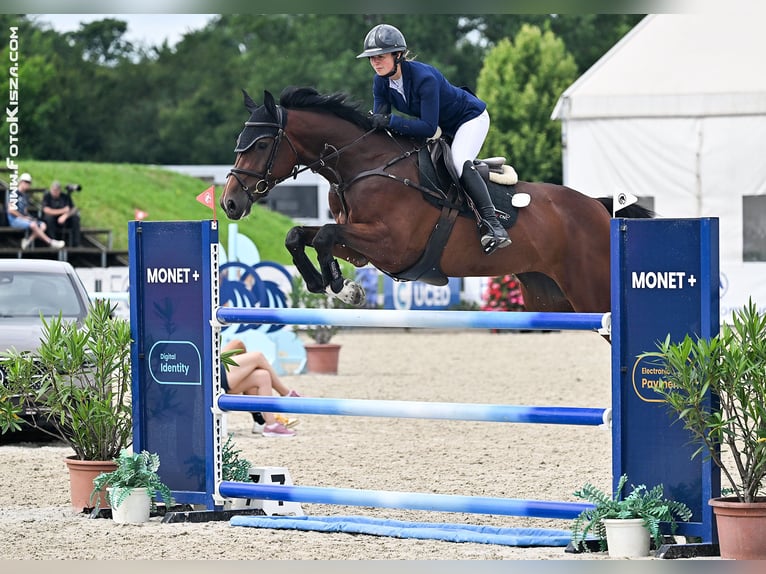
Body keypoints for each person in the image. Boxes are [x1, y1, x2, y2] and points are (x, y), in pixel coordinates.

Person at [357, 23, 511, 255]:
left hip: (470, 119)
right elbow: (381, 120)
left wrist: (389, 122)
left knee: (459, 162)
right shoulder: (380, 81)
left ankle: (494, 225)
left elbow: (428, 128)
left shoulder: (424, 78)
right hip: (443, 125)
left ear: (398, 55)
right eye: (371, 58)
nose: (375, 62)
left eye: (381, 56)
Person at [220, 339, 301, 437]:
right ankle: (286, 393)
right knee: (257, 357)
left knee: (263, 376)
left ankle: (269, 424)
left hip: (216, 371)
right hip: (211, 374)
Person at [6, 172, 65, 250]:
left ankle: (28, 241)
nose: (28, 185)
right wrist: (23, 217)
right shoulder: (14, 194)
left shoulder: (25, 196)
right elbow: (11, 210)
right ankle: (50, 242)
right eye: (26, 182)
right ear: (21, 182)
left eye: (29, 183)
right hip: (14, 219)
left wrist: (28, 217)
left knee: (43, 225)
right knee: (33, 225)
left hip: (23, 218)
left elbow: (25, 210)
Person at [42, 180, 81, 247]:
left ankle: (75, 243)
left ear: (60, 190)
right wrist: (62, 211)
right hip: (52, 219)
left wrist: (65, 216)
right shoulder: (47, 196)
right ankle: (53, 242)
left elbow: (73, 209)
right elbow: (46, 210)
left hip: (64, 219)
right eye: (53, 190)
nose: (55, 192)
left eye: (57, 190)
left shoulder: (65, 197)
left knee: (75, 218)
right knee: (49, 218)